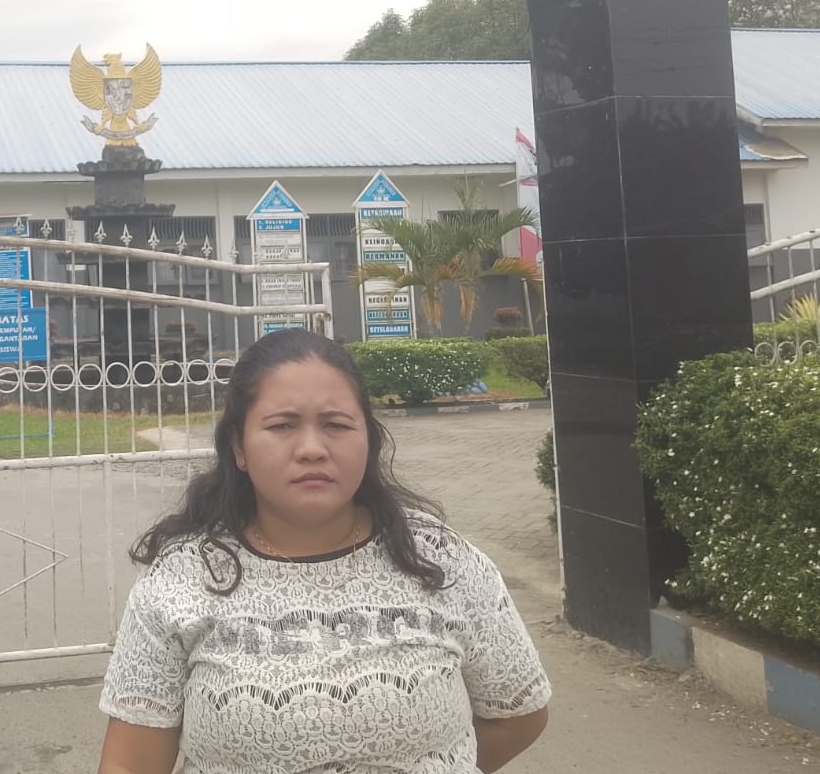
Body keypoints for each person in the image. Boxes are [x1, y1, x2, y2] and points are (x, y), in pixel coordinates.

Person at [97, 329, 550, 774]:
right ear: (239, 446)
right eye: (282, 426)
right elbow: (128, 763)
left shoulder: (439, 559)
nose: (312, 449)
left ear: (368, 439)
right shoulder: (181, 577)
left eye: (336, 425)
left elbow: (518, 713)